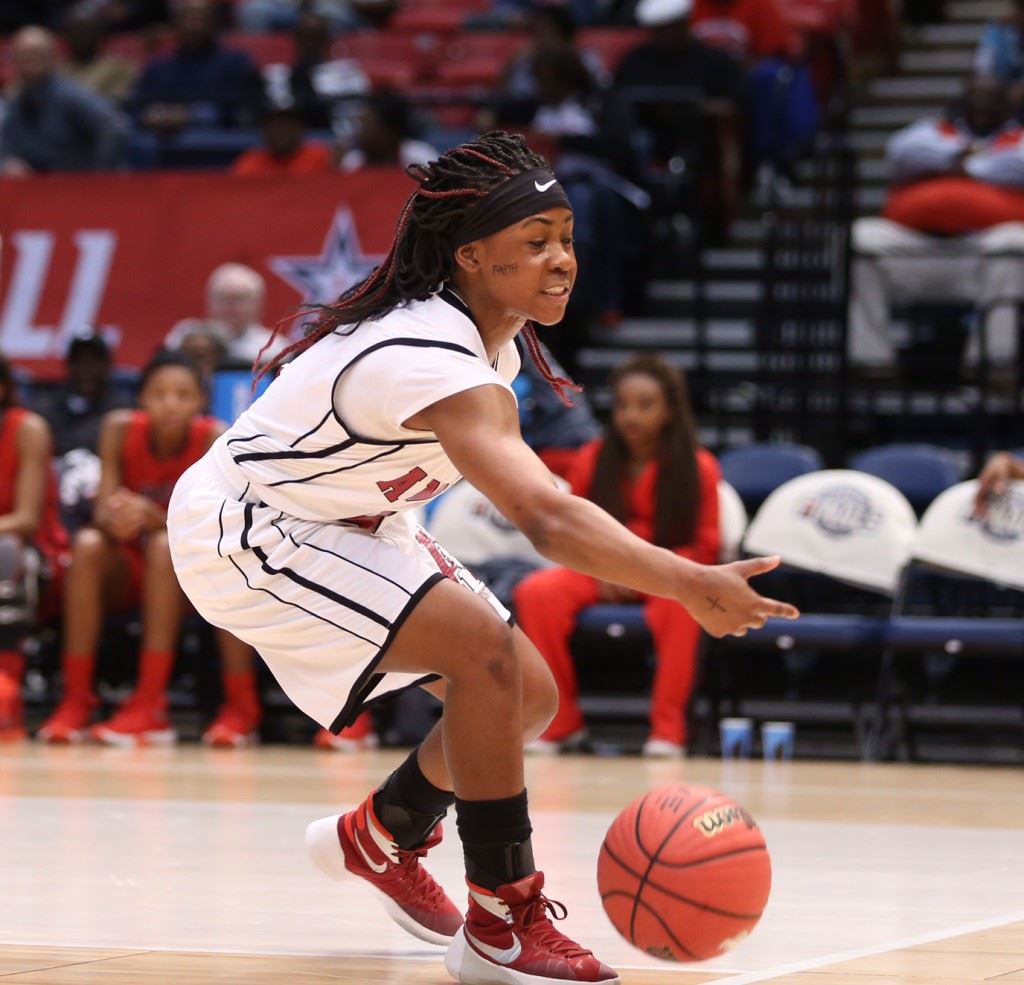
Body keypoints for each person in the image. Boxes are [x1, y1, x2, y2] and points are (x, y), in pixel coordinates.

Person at [165, 131, 797, 984]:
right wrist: (685, 580)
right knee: (485, 657)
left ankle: (380, 836)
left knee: (525, 695)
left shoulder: (484, 343)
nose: (561, 260)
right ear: (470, 256)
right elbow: (543, 515)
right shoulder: (424, 352)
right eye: (534, 243)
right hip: (250, 525)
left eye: (566, 238)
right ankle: (502, 920)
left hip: (351, 520)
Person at [37, 351, 261, 748]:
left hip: (194, 578)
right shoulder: (118, 428)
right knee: (88, 544)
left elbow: (211, 528)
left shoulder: (212, 437)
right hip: (132, 568)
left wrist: (152, 515)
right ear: (141, 399)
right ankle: (77, 699)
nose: (170, 403)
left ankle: (155, 704)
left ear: (199, 402)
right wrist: (117, 515)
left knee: (165, 546)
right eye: (159, 393)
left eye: (182, 394)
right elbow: (103, 509)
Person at [515, 355, 719, 757]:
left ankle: (668, 731)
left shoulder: (700, 467)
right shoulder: (593, 457)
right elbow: (573, 532)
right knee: (537, 593)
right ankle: (560, 724)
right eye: (623, 404)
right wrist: (603, 567)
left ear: (670, 411)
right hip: (603, 570)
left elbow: (705, 548)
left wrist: (647, 571)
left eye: (645, 405)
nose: (630, 415)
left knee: (681, 610)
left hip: (669, 576)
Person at [849, 75, 1024, 373]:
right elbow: (901, 152)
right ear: (961, 103)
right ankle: (872, 363)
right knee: (861, 239)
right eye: (975, 100)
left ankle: (992, 364)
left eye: (990, 101)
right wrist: (964, 159)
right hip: (919, 249)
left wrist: (964, 165)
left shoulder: (1017, 137)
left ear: (1005, 107)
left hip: (982, 251)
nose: (981, 107)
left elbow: (1017, 165)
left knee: (1015, 243)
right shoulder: (933, 130)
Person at [0, 355, 68, 741]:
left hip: (37, 553)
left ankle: (6, 685)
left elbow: (25, 520)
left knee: (6, 551)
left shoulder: (27, 429)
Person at [0, 25, 128, 176]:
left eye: (36, 54)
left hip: (74, 184)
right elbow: (7, 141)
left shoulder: (70, 94)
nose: (29, 60)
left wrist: (98, 173)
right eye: (23, 54)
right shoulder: (15, 98)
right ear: (14, 58)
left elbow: (115, 128)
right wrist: (8, 160)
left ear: (53, 56)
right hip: (36, 185)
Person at [129, 0, 262, 134]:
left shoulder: (235, 63)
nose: (194, 26)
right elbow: (138, 109)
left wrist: (191, 115)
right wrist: (154, 116)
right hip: (162, 143)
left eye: (201, 19)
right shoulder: (158, 66)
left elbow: (242, 110)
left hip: (221, 142)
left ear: (214, 24)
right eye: (188, 19)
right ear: (175, 24)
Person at [165, 263, 287, 366]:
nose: (232, 305)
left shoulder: (275, 347)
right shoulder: (185, 336)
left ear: (258, 303)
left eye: (241, 298)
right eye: (224, 297)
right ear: (209, 300)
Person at [338, 89, 438, 172]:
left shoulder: (421, 157)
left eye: (365, 125)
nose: (359, 132)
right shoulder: (353, 161)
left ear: (388, 130)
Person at [231, 103, 334, 177]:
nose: (281, 131)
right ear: (264, 131)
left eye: (287, 125)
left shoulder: (324, 157)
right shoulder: (249, 163)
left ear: (300, 128)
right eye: (274, 125)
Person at [60, 8, 139, 105]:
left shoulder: (120, 68)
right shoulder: (55, 70)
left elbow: (118, 102)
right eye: (76, 31)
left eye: (87, 31)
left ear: (99, 36)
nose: (81, 37)